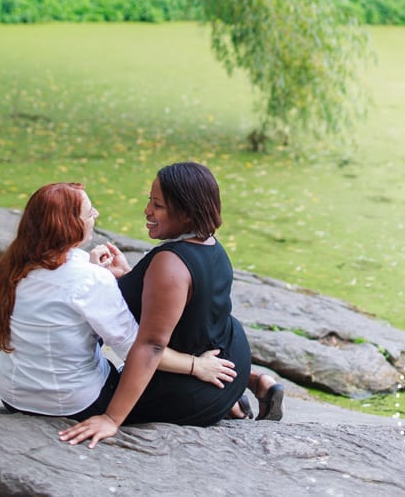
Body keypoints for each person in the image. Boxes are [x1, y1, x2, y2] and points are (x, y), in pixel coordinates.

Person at [59, 161, 284, 447]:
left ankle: (227, 401)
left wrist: (111, 419)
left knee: (100, 392)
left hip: (194, 389)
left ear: (187, 213)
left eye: (158, 205)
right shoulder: (209, 244)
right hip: (231, 360)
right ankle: (244, 388)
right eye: (149, 201)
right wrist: (128, 277)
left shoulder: (170, 263)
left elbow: (151, 346)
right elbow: (176, 306)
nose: (147, 211)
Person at [0, 182, 236, 420]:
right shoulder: (90, 279)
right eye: (89, 213)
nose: (97, 215)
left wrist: (101, 273)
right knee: (155, 380)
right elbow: (136, 349)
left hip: (13, 396)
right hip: (74, 403)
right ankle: (231, 403)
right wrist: (197, 365)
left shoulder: (14, 266)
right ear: (70, 226)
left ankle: (237, 397)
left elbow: (61, 296)